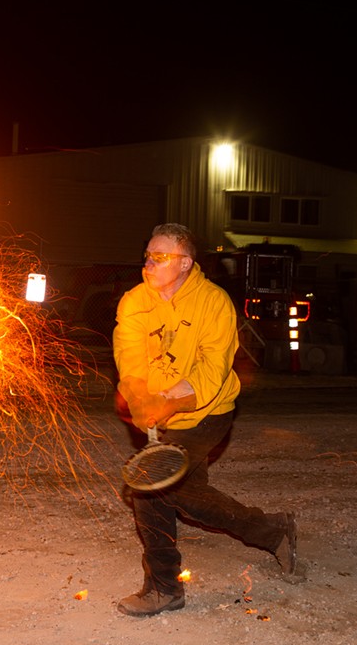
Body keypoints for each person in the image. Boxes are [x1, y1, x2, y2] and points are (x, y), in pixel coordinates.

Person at [112, 222, 302, 617]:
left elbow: (210, 372)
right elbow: (129, 360)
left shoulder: (213, 303)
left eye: (159, 257)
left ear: (184, 263)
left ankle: (164, 588)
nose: (149, 264)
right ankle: (273, 530)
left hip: (207, 412)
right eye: (147, 255)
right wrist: (138, 396)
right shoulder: (134, 302)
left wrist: (166, 403)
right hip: (160, 414)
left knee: (154, 488)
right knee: (187, 495)